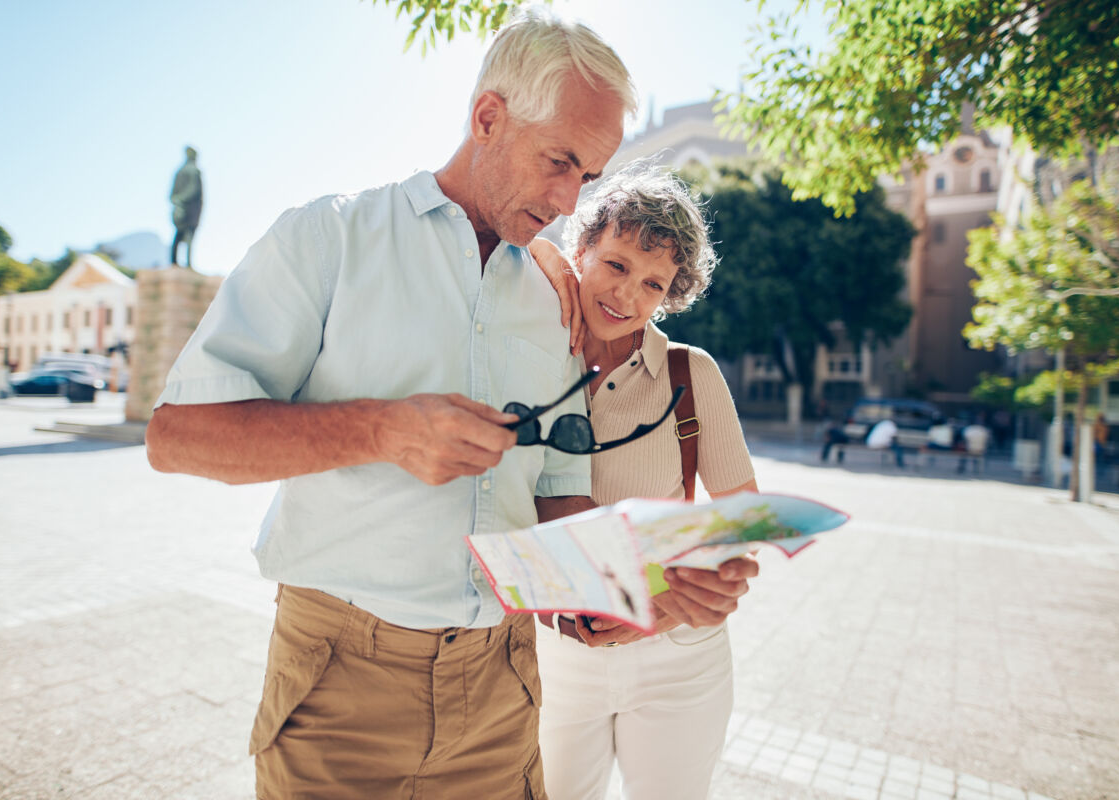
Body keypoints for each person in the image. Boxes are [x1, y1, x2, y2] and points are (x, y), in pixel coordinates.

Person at [144, 12, 753, 799]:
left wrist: (651, 587)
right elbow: (176, 438)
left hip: (504, 691)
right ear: (488, 117)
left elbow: (556, 499)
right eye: (559, 162)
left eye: (589, 178)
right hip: (340, 687)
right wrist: (382, 428)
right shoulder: (329, 240)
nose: (570, 202)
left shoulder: (552, 299)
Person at [528, 163, 758, 800]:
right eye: (617, 265)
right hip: (556, 656)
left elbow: (744, 521)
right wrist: (543, 256)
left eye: (653, 283)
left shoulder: (692, 374)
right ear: (583, 249)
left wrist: (649, 601)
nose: (627, 296)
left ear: (669, 297)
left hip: (678, 657)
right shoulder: (532, 354)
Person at [169, 146, 203, 268]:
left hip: (181, 206)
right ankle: (187, 263)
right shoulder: (194, 171)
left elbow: (172, 194)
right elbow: (194, 189)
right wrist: (182, 200)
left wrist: (177, 200)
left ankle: (174, 262)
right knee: (188, 236)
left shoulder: (180, 171)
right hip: (191, 208)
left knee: (179, 235)